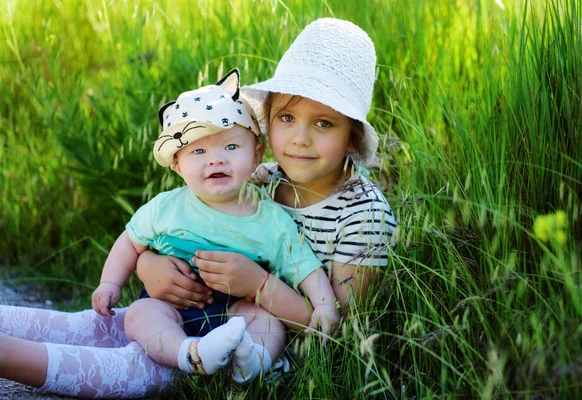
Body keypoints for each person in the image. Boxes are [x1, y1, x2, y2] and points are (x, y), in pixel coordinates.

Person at [0, 18, 396, 398]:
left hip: (257, 348)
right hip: (184, 311)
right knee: (106, 324)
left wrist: (257, 285)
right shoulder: (262, 178)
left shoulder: (364, 216)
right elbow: (179, 222)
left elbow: (337, 331)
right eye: (287, 117)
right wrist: (147, 267)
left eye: (324, 124)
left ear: (352, 137)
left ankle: (12, 360)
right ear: (267, 124)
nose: (300, 139)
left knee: (131, 368)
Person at [91, 68, 339, 384]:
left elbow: (304, 266)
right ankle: (189, 354)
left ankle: (252, 361)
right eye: (199, 151)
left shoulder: (270, 219)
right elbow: (130, 241)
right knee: (141, 315)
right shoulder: (167, 208)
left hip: (235, 310)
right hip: (172, 308)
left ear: (255, 156)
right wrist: (110, 284)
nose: (216, 160)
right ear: (178, 164)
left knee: (265, 321)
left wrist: (324, 306)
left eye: (231, 147)